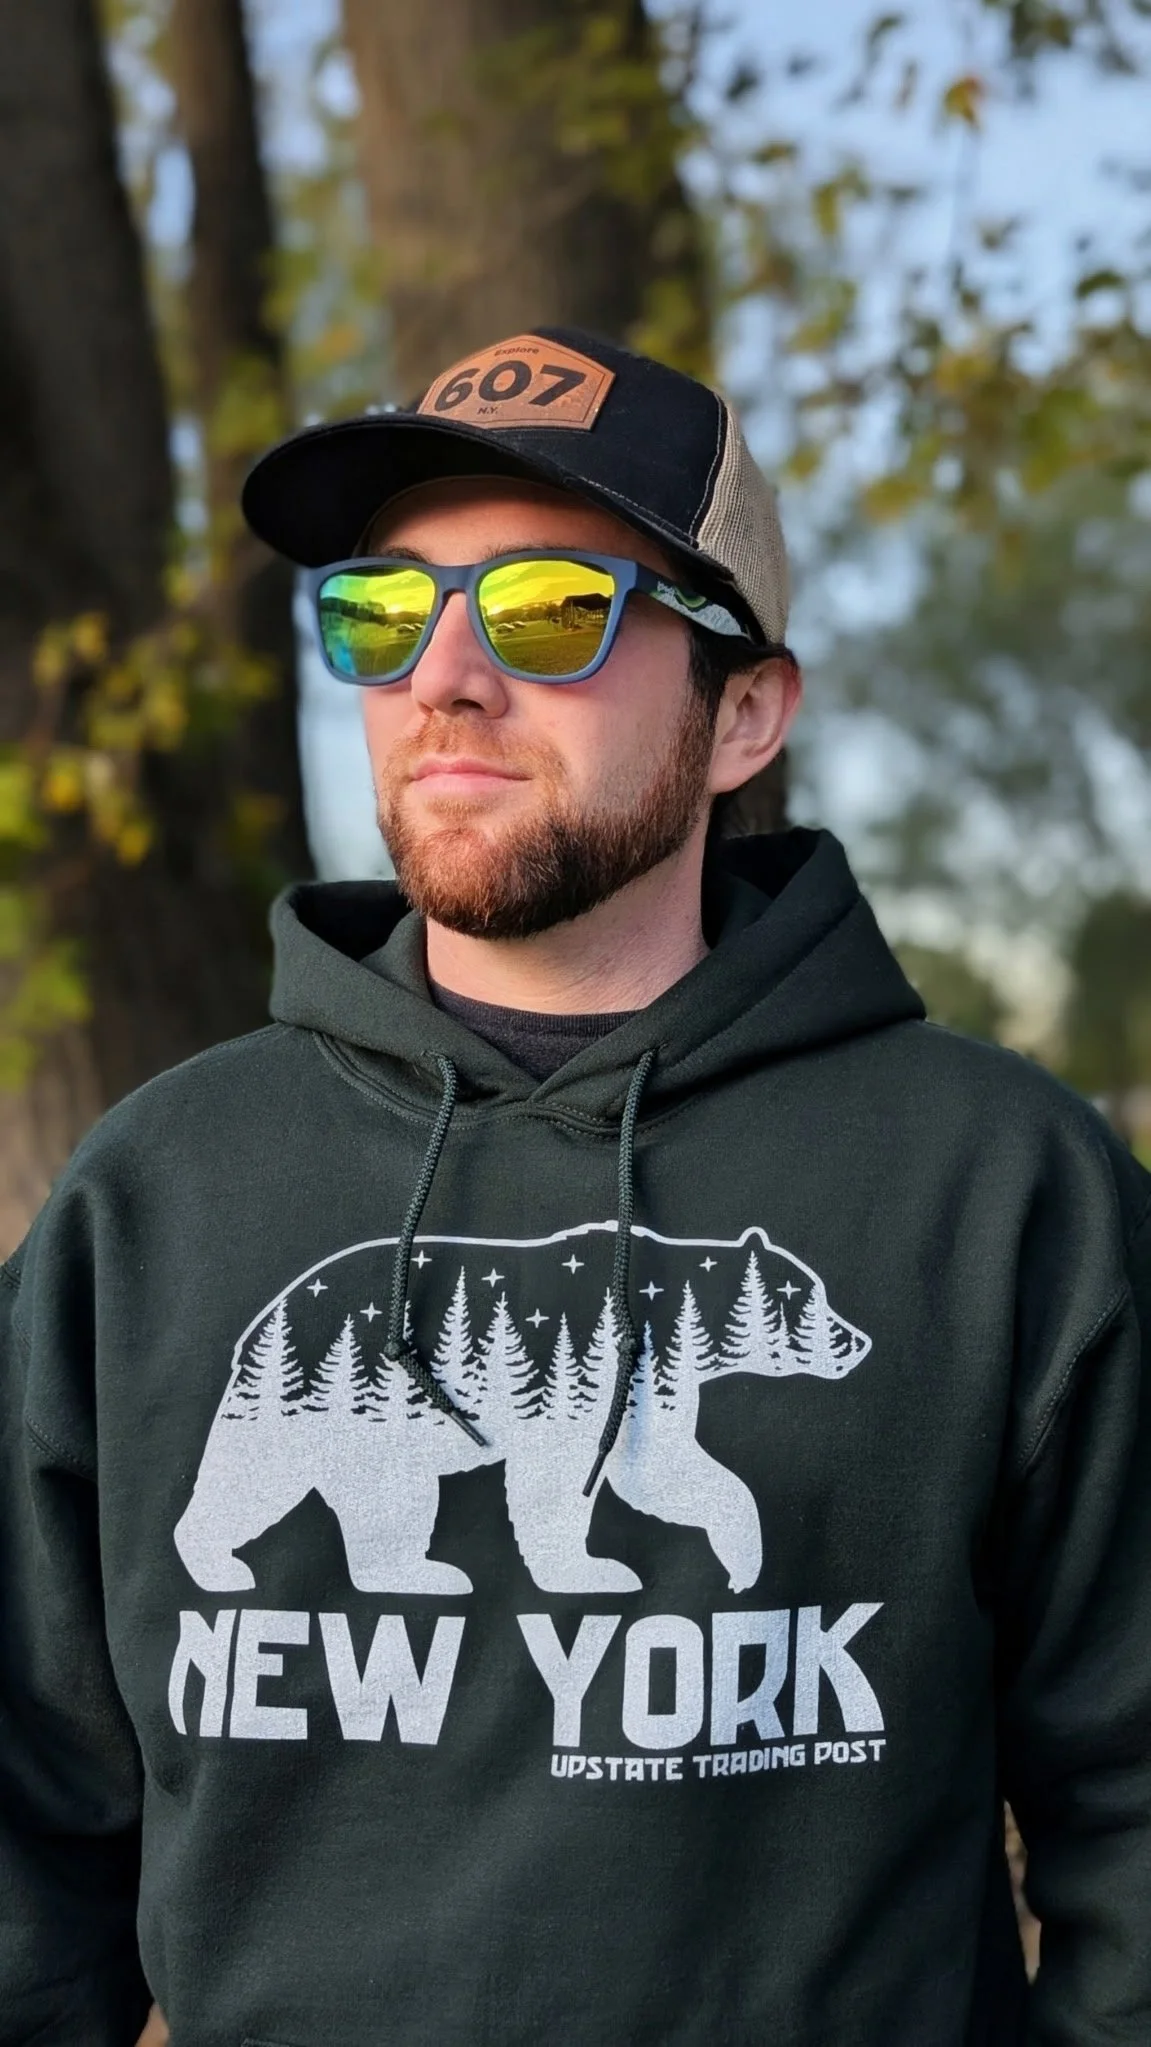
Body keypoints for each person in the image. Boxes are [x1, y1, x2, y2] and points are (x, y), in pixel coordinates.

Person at [1, 327, 1148, 2047]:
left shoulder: (1001, 1192)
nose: (443, 677)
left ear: (743, 707)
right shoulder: (156, 1198)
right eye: (385, 614)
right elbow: (29, 1865)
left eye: (546, 609)